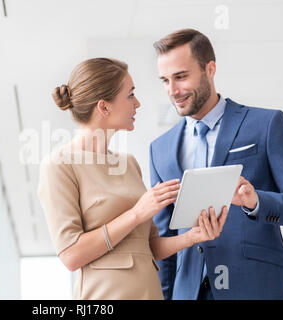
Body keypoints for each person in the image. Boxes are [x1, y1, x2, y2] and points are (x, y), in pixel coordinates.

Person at [37, 58, 228, 300]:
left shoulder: (128, 163)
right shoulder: (59, 165)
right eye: (130, 95)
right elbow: (71, 255)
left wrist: (193, 235)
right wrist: (137, 213)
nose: (137, 103)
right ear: (104, 107)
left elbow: (150, 246)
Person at [150, 28, 283, 300]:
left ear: (210, 69)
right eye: (165, 80)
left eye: (181, 77)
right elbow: (164, 239)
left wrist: (256, 202)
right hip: (189, 292)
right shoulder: (159, 149)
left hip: (257, 288)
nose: (173, 90)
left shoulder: (265, 125)